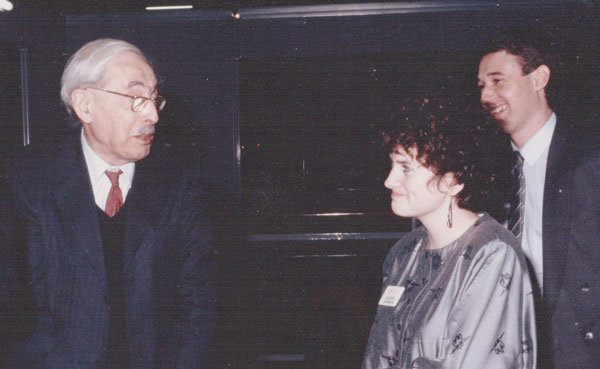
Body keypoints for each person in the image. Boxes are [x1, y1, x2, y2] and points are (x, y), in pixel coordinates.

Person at [0, 38, 217, 368]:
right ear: (85, 105)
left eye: (154, 97)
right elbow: (14, 304)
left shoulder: (180, 180)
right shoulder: (26, 180)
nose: (152, 114)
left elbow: (197, 304)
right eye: (135, 97)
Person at [362, 98, 536, 369]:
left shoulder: (491, 253)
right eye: (392, 165)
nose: (389, 180)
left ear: (452, 181)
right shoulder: (402, 253)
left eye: (406, 168)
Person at [477, 29, 600, 368]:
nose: (486, 95)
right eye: (481, 86)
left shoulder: (591, 158)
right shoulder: (489, 172)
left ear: (539, 79)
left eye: (498, 81)